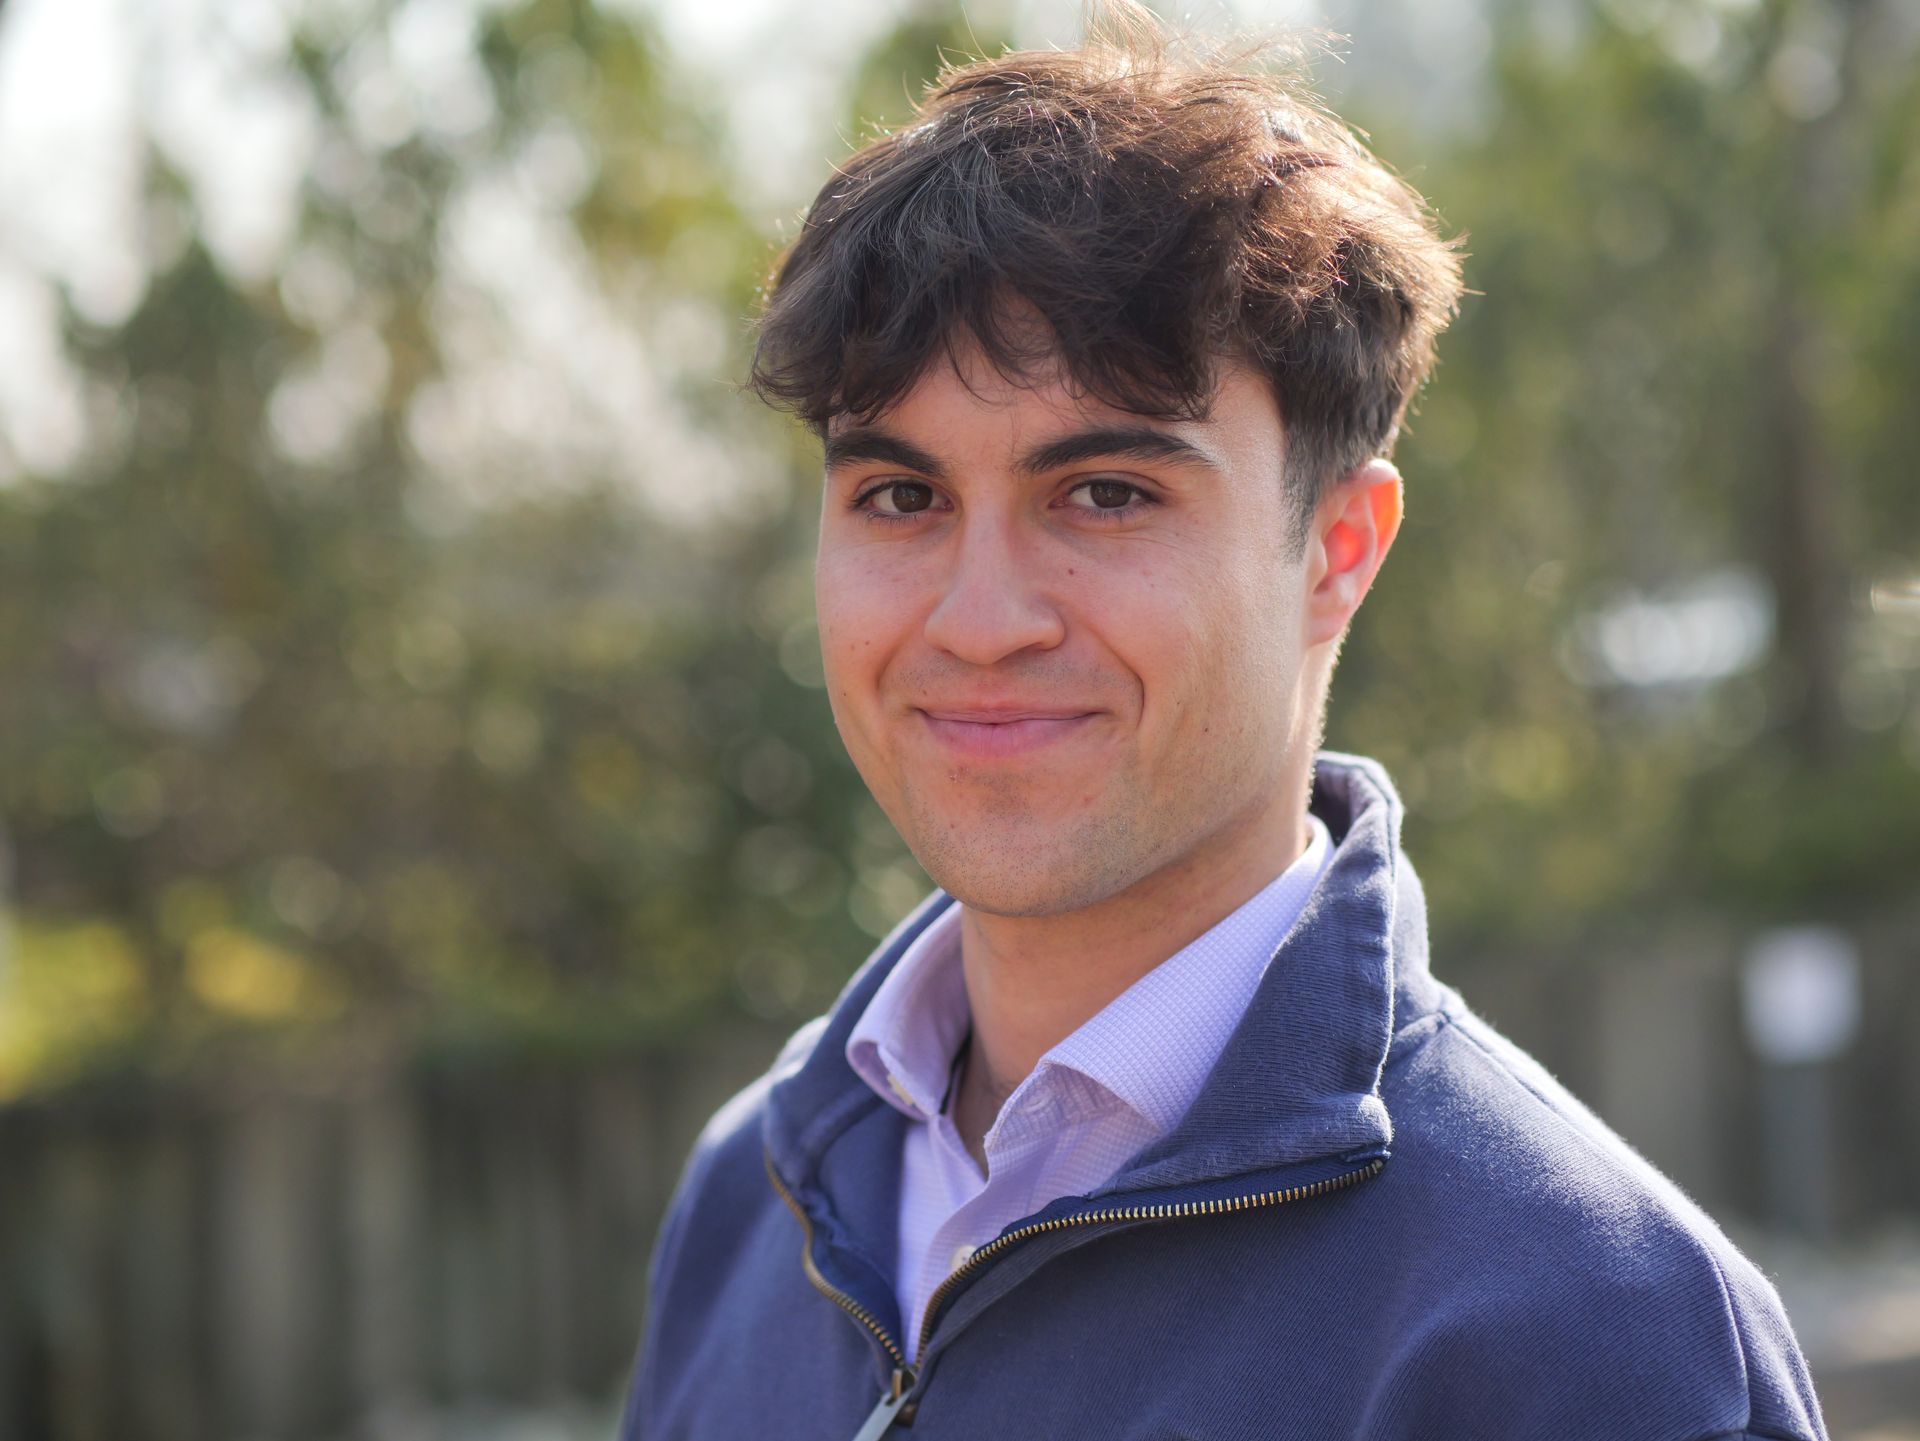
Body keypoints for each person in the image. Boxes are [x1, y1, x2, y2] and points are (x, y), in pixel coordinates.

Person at [622, 9, 1827, 1438]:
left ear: (1338, 549)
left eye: (1108, 493)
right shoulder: (752, 1200)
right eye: (902, 497)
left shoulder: (1580, 1328)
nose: (980, 617)